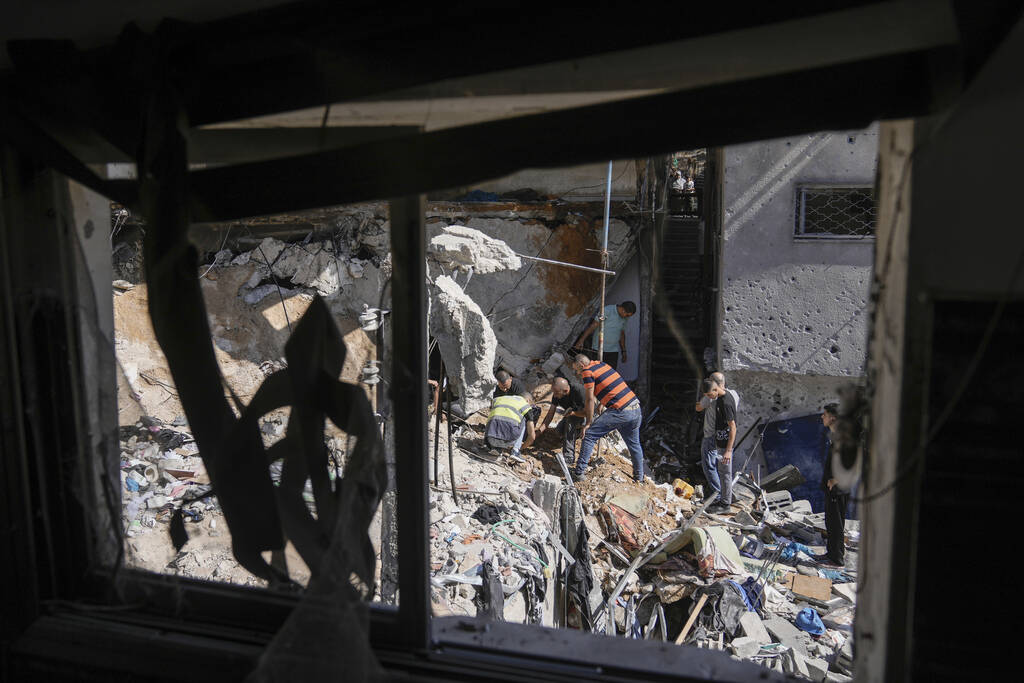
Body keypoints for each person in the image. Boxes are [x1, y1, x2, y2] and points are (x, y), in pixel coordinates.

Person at [570, 354, 645, 482]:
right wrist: (602, 403)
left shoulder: (587, 372)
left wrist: (588, 422)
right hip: (635, 407)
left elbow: (589, 399)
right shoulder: (601, 364)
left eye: (576, 369)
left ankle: (579, 473)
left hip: (620, 410)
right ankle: (640, 478)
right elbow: (609, 385)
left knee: (589, 435)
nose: (576, 372)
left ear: (581, 365)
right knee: (634, 445)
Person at [697, 377, 737, 513]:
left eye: (709, 395)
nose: (709, 398)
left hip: (725, 444)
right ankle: (722, 501)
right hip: (720, 441)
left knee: (726, 474)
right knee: (722, 472)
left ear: (715, 389)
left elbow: (733, 427)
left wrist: (728, 450)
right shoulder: (719, 398)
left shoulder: (726, 402)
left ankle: (725, 504)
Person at [816, 403, 849, 567]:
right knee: (830, 522)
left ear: (833, 417)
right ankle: (831, 553)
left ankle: (837, 559)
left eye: (825, 414)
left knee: (836, 523)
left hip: (839, 489)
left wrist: (836, 480)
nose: (822, 417)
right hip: (832, 488)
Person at [572, 301, 636, 370]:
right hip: (598, 349)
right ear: (623, 310)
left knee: (610, 375)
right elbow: (593, 326)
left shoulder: (625, 318)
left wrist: (624, 351)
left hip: (613, 351)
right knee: (596, 373)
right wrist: (581, 340)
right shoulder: (607, 311)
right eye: (627, 315)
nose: (628, 317)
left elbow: (621, 333)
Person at [537, 376, 586, 463]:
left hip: (586, 416)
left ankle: (568, 457)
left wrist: (574, 415)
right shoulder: (557, 394)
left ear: (565, 391)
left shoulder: (579, 391)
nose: (555, 396)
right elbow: (550, 414)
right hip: (572, 414)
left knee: (570, 425)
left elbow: (588, 412)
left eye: (557, 393)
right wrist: (540, 430)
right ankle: (574, 433)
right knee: (559, 431)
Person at [484, 393, 539, 461]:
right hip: (510, 433)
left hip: (489, 435)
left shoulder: (499, 398)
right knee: (524, 419)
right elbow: (532, 436)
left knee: (496, 415)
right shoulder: (525, 406)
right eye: (531, 404)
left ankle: (495, 448)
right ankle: (515, 451)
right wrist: (522, 447)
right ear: (528, 401)